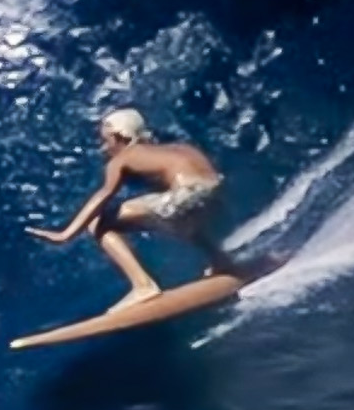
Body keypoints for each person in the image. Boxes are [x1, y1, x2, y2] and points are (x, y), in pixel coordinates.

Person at [26, 107, 236, 310]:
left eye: (106, 141)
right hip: (214, 190)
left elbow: (104, 194)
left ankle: (143, 286)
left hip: (186, 194)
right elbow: (201, 178)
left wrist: (65, 234)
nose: (103, 148)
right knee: (179, 220)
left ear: (120, 137)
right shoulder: (179, 148)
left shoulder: (122, 158)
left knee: (98, 222)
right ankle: (220, 261)